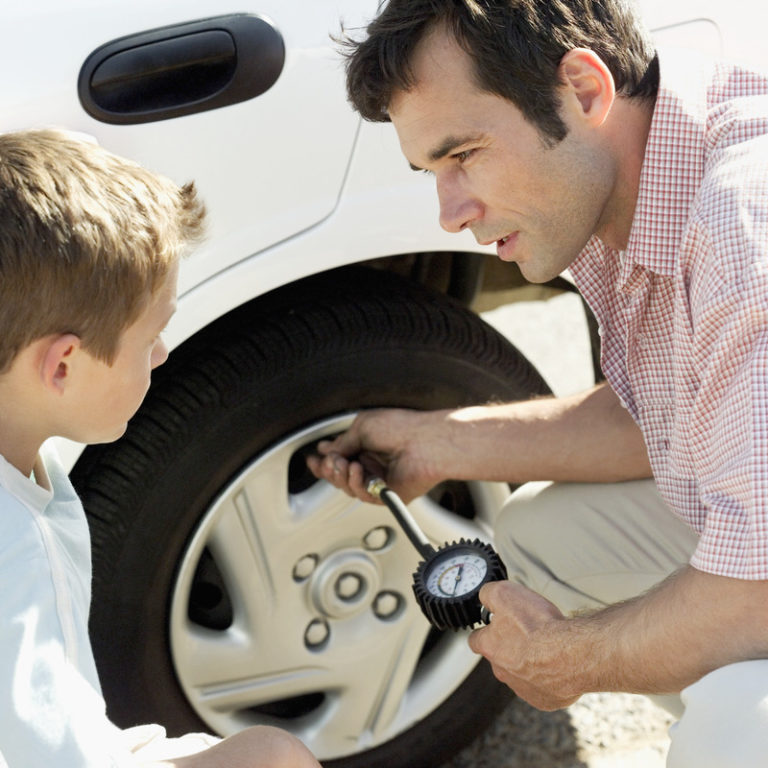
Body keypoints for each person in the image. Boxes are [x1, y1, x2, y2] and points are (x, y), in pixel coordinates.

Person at [307, 1, 768, 765]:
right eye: (433, 171)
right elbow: (681, 407)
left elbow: (758, 592)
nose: (451, 214)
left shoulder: (742, 231)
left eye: (465, 155)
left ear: (584, 90)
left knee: (733, 729)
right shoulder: (622, 173)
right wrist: (441, 442)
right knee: (536, 538)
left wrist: (571, 657)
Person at [0, 129, 320, 768]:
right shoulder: (17, 550)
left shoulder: (26, 469)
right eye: (152, 336)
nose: (163, 354)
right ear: (63, 365)